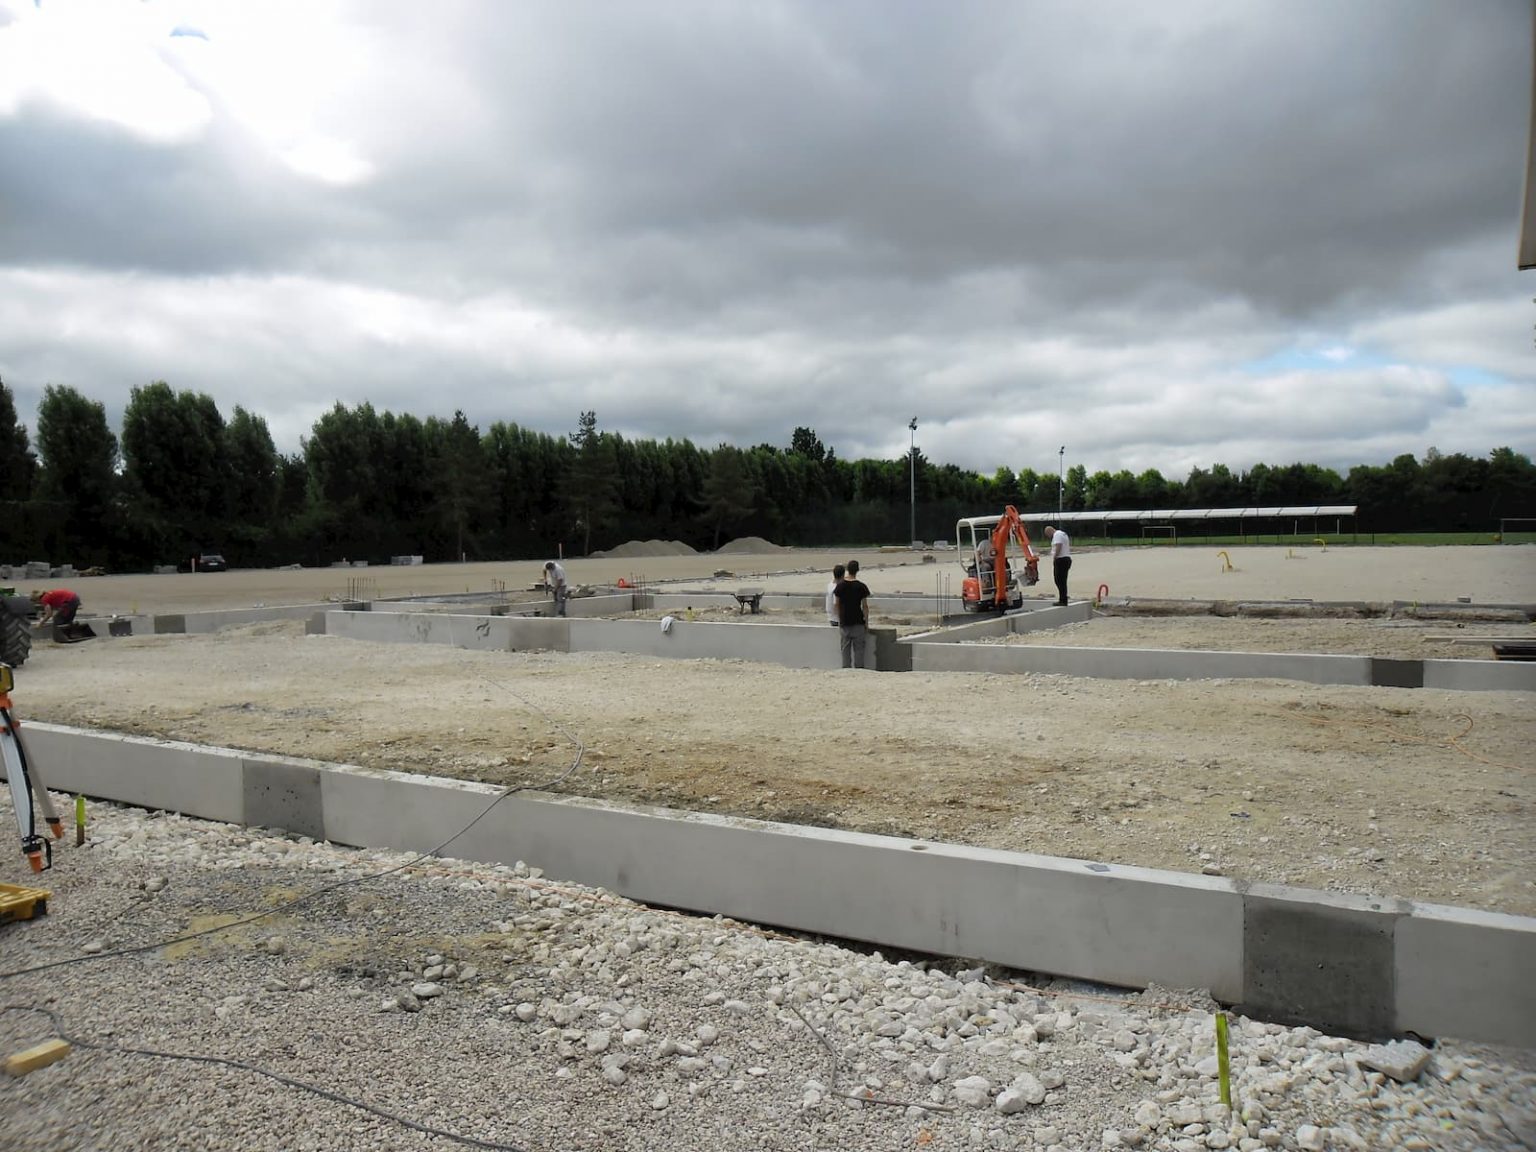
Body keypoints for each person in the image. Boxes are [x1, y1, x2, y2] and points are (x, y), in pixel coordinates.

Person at [832, 558, 871, 668]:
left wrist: (839, 619)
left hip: (845, 622)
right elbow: (865, 606)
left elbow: (837, 605)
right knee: (859, 650)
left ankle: (846, 670)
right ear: (857, 570)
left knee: (845, 650)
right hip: (858, 622)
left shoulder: (840, 586)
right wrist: (866, 623)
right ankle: (859, 670)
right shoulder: (861, 586)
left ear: (847, 570)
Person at [1043, 524, 1071, 605]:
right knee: (1062, 581)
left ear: (1049, 531)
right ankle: (1063, 598)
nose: (1049, 537)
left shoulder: (1057, 535)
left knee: (1059, 580)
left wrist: (1055, 556)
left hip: (1061, 559)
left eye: (1048, 535)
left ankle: (1063, 600)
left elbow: (1059, 545)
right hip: (1066, 558)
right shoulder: (1062, 534)